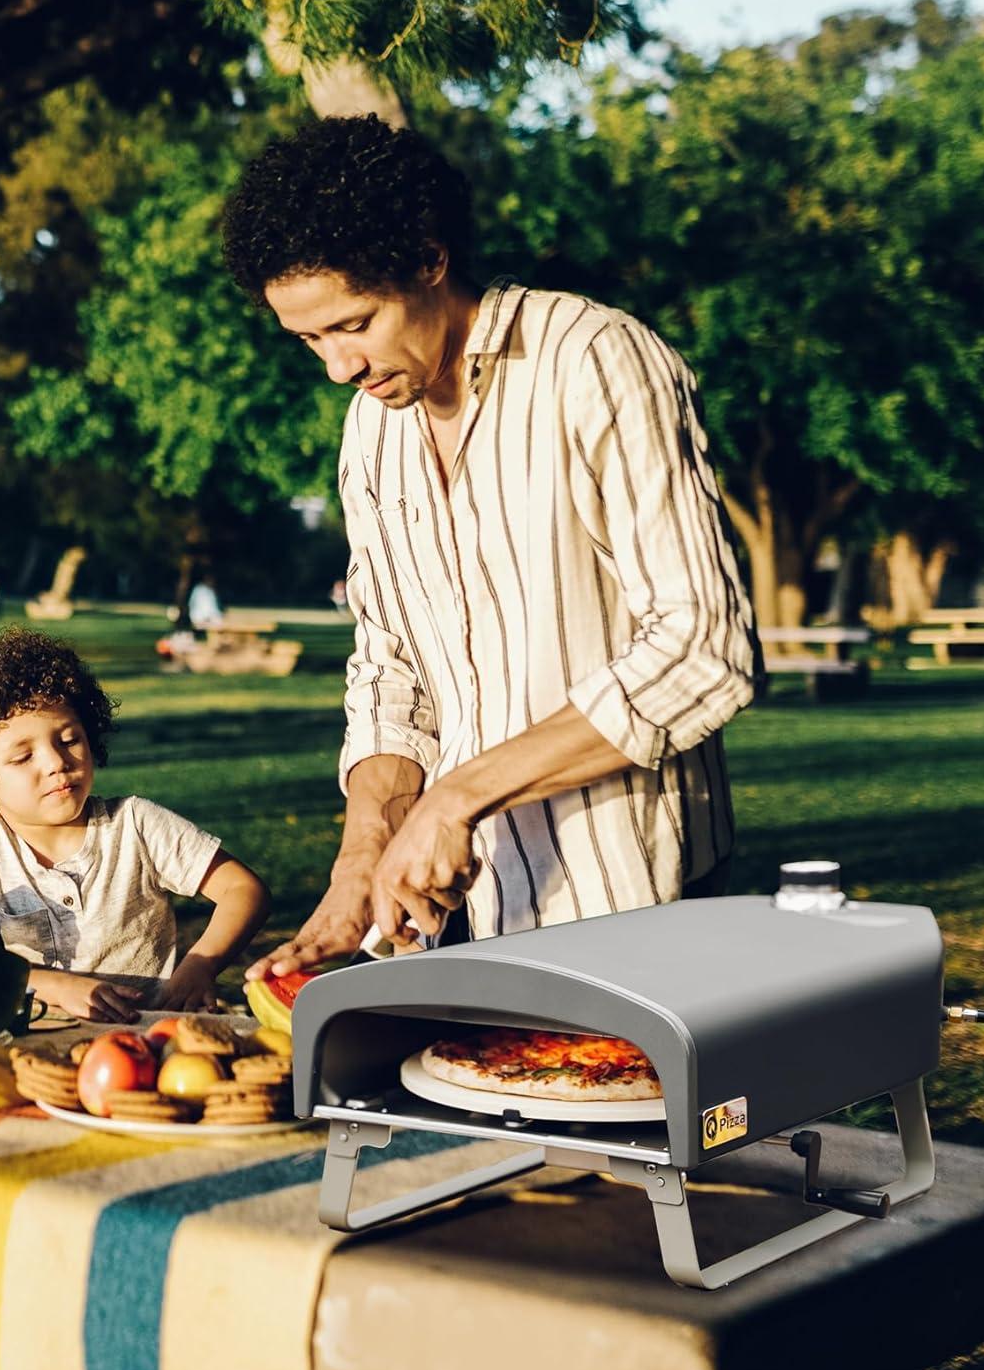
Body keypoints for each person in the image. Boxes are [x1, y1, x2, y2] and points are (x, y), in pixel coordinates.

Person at [219, 116, 761, 977]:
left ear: (431, 261)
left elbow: (704, 651)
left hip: (629, 898)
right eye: (310, 339)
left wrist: (460, 796)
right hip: (451, 914)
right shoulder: (372, 428)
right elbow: (393, 666)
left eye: (353, 323)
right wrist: (368, 848)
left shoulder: (595, 360)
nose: (337, 367)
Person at [0, 628, 270, 1021]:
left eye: (68, 739)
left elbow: (243, 889)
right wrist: (55, 987)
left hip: (148, 1035)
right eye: (23, 757)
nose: (56, 763)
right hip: (36, 1038)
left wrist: (201, 964)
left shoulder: (135, 824)